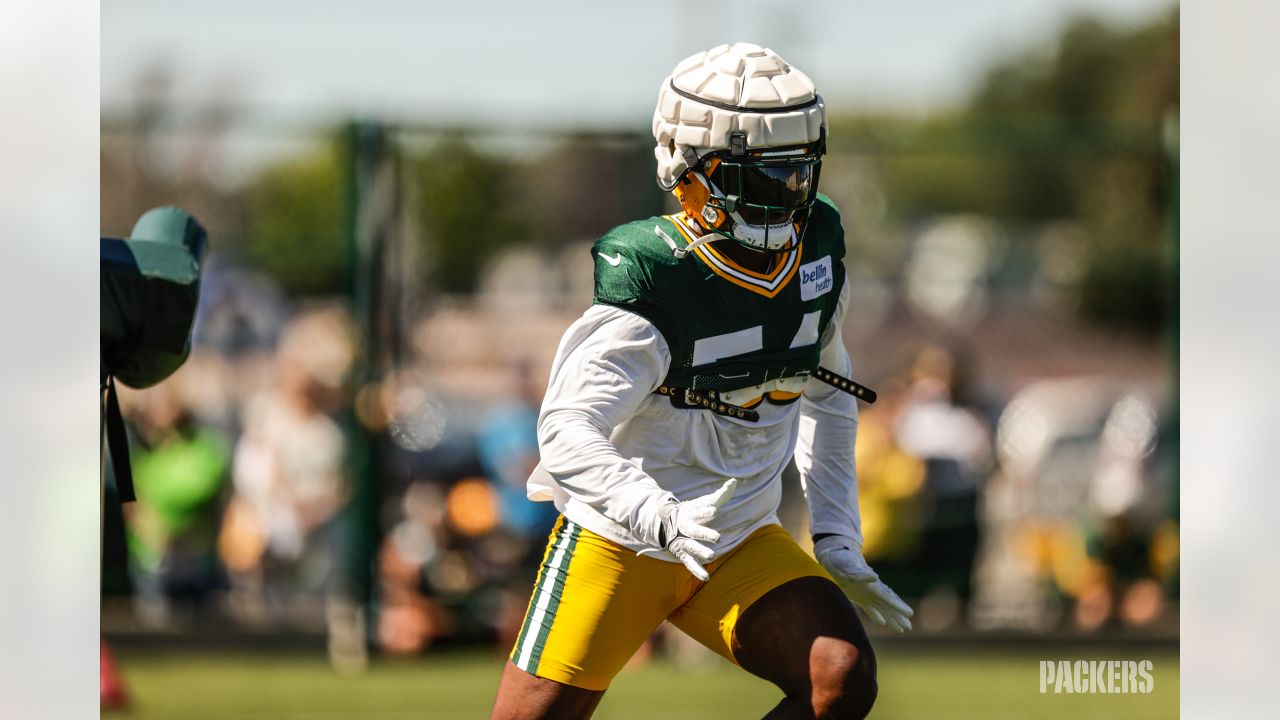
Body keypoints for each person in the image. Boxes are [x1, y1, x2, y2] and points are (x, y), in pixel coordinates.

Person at [490, 43, 912, 720]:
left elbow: (828, 393)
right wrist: (652, 512)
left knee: (841, 677)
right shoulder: (660, 276)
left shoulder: (818, 253)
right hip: (621, 539)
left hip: (738, 534)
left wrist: (835, 532)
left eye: (798, 171)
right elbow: (566, 431)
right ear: (691, 173)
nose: (789, 194)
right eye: (764, 175)